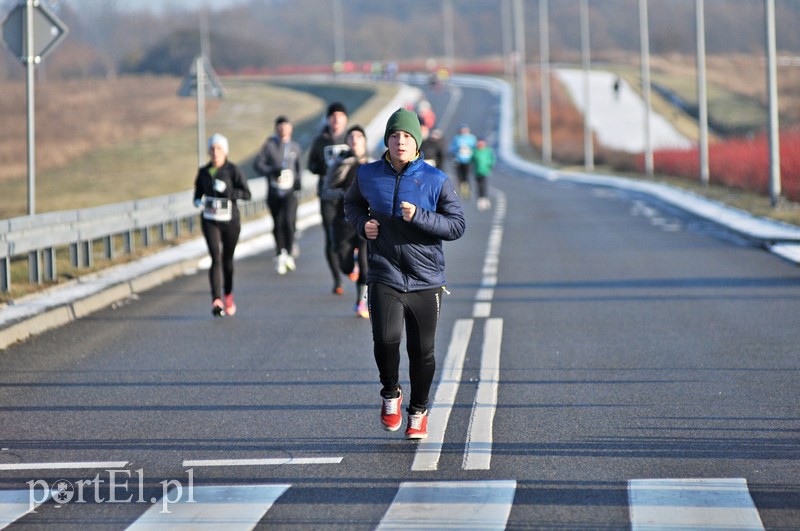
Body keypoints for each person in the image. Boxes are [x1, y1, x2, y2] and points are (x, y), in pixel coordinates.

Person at [344, 108, 465, 440]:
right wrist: (362, 224)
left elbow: (456, 226)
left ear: (417, 143)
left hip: (426, 279)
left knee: (422, 351)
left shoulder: (436, 180)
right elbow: (351, 204)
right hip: (384, 272)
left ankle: (419, 409)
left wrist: (421, 217)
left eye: (407, 137)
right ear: (387, 140)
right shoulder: (367, 175)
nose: (400, 142)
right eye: (395, 136)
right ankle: (391, 393)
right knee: (385, 340)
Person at [193, 133, 252, 317]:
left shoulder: (232, 170)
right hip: (210, 220)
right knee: (215, 258)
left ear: (225, 151)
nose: (215, 152)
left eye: (219, 148)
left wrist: (228, 191)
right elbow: (197, 192)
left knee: (227, 260)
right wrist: (197, 200)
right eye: (212, 148)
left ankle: (228, 295)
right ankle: (216, 300)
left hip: (230, 222)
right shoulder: (204, 172)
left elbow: (247, 194)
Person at [320, 125, 371, 318]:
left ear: (365, 141)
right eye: (352, 137)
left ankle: (361, 302)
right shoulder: (339, 165)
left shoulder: (374, 166)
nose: (355, 140)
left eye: (359, 136)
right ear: (347, 142)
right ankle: (352, 264)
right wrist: (344, 193)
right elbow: (325, 191)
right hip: (344, 221)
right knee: (345, 266)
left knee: (367, 265)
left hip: (367, 222)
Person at [308, 102, 350, 295]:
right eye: (333, 116)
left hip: (348, 194)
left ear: (345, 119)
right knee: (330, 234)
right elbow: (311, 165)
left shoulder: (351, 139)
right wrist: (326, 169)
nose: (336, 120)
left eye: (340, 116)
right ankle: (337, 279)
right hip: (327, 195)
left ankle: (349, 262)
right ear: (328, 119)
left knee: (349, 233)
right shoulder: (320, 141)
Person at [253, 115, 303, 275]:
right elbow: (258, 164)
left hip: (290, 192)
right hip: (274, 191)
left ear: (291, 128)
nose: (283, 129)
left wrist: (298, 181)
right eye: (280, 126)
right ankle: (280, 252)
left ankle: (289, 250)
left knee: (289, 221)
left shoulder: (295, 147)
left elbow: (299, 167)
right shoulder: (269, 146)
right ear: (276, 128)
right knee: (278, 223)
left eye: (286, 126)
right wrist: (271, 171)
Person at [448, 123, 477, 198]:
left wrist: (471, 151)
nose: (463, 131)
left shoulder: (472, 138)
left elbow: (475, 148)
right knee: (459, 175)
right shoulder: (457, 138)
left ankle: (467, 189)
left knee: (466, 175)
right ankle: (461, 188)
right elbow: (451, 148)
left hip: (468, 160)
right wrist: (457, 149)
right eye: (462, 130)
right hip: (458, 159)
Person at [472, 137, 496, 211]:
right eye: (479, 142)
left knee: (484, 185)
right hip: (477, 171)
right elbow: (471, 159)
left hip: (485, 171)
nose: (480, 144)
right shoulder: (475, 151)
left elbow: (492, 159)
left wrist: (490, 166)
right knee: (479, 185)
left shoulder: (488, 151)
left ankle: (485, 198)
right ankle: (480, 199)